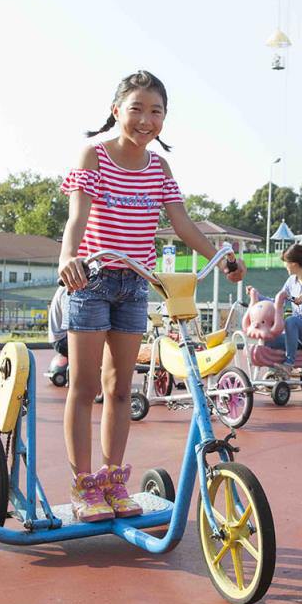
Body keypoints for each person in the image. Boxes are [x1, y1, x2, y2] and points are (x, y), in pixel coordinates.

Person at [59, 70, 245, 522]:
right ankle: (84, 487)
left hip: (135, 285)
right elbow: (77, 218)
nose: (146, 119)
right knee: (84, 387)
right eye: (136, 108)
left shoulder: (159, 167)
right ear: (115, 109)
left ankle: (112, 482)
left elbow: (182, 225)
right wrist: (67, 258)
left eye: (156, 111)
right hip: (92, 279)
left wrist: (222, 256)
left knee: (120, 389)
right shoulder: (95, 155)